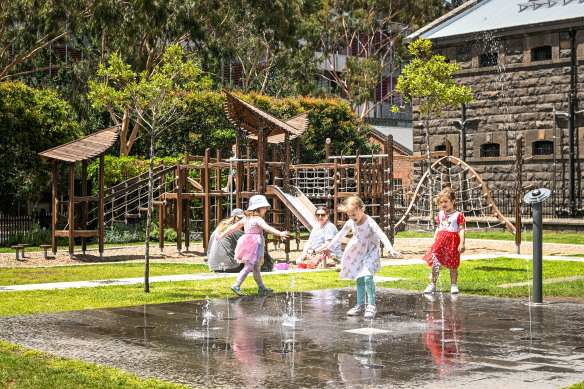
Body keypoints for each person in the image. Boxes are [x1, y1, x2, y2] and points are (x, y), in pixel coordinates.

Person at [318, 196, 401, 319]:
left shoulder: (370, 221)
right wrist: (329, 248)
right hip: (357, 251)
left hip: (370, 250)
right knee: (359, 277)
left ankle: (371, 305)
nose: (352, 218)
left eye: (354, 214)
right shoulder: (351, 222)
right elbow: (340, 235)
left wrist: (390, 249)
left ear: (362, 210)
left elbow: (381, 234)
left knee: (367, 276)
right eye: (349, 215)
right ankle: (361, 305)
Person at [216, 194, 289, 296]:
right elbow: (267, 228)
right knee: (249, 266)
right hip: (255, 245)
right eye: (264, 208)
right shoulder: (258, 219)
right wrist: (280, 233)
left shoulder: (247, 218)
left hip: (246, 243)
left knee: (256, 267)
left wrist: (222, 235)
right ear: (259, 208)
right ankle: (236, 285)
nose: (265, 210)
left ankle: (261, 287)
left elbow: (233, 227)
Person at [422, 187, 466, 294]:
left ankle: (453, 285)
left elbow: (461, 229)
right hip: (440, 241)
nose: (443, 204)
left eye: (446, 202)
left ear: (453, 201)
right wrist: (434, 239)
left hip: (452, 242)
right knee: (435, 263)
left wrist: (462, 243)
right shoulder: (440, 214)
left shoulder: (458, 215)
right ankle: (432, 284)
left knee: (453, 264)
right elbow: (438, 227)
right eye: (441, 202)